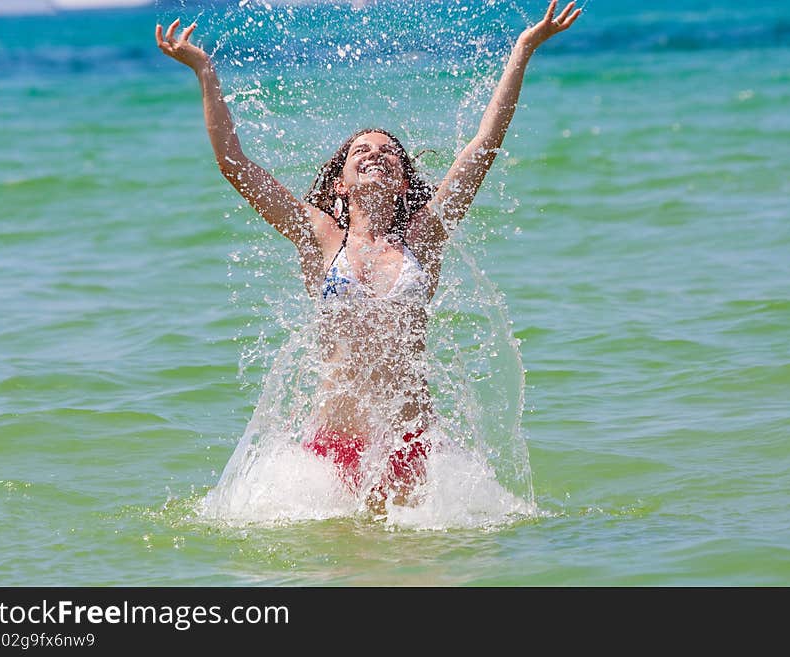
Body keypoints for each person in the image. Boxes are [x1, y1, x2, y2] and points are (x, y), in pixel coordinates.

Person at [155, 1, 581, 514]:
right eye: (362, 150)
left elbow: (483, 147)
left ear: (403, 181)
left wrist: (522, 50)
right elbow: (235, 164)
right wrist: (205, 70)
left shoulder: (424, 237)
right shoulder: (320, 238)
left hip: (413, 447)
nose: (375, 153)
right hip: (331, 452)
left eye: (388, 152)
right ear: (341, 181)